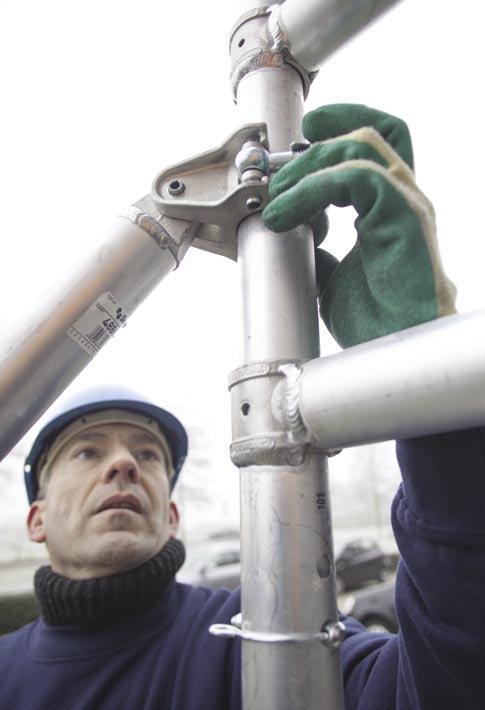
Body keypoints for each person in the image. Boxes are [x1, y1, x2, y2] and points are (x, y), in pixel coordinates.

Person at [1, 104, 483, 709]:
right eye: (86, 451)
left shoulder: (266, 639)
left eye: (147, 454)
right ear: (36, 518)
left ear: (172, 514)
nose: (123, 465)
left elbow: (444, 688)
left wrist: (431, 392)